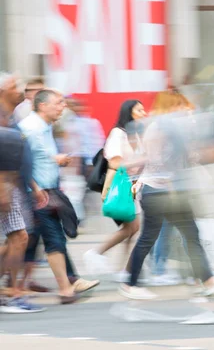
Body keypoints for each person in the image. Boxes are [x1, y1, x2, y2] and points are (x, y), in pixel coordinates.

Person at [119, 97, 214, 300]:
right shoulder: (159, 128)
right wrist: (173, 183)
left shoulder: (167, 128)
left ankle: (206, 280)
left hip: (165, 192)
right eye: (182, 107)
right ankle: (131, 284)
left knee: (188, 235)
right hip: (160, 192)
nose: (186, 111)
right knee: (154, 238)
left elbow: (165, 159)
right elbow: (157, 161)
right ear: (171, 108)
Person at [19, 89, 99, 304]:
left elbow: (40, 157)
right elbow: (22, 164)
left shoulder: (45, 127)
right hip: (38, 194)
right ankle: (66, 288)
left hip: (47, 190)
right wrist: (35, 189)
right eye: (58, 102)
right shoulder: (31, 128)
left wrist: (57, 161)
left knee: (34, 242)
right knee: (53, 238)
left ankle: (21, 286)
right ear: (42, 105)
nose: (63, 106)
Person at [84, 100, 147, 282]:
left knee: (132, 228)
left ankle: (126, 269)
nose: (144, 113)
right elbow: (115, 163)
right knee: (132, 227)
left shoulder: (135, 134)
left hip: (133, 186)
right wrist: (142, 160)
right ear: (129, 112)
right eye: (139, 110)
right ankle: (96, 253)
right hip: (120, 186)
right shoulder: (118, 134)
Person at [0, 73, 45, 313]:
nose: (20, 90)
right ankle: (13, 296)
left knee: (15, 240)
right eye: (13, 86)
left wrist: (33, 186)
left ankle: (9, 294)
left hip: (14, 186)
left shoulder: (11, 117)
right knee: (19, 239)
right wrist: (3, 188)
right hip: (5, 186)